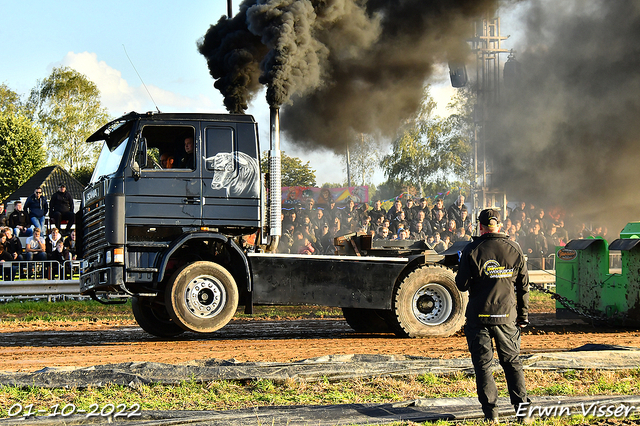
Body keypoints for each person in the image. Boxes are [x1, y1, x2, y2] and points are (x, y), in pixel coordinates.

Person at [455, 208, 530, 423]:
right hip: (507, 318)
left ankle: (491, 415)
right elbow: (523, 287)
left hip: (479, 318)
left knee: (483, 366)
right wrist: (523, 315)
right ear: (499, 224)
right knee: (512, 363)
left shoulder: (472, 249)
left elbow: (461, 285)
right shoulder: (514, 248)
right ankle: (523, 414)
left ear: (480, 225)